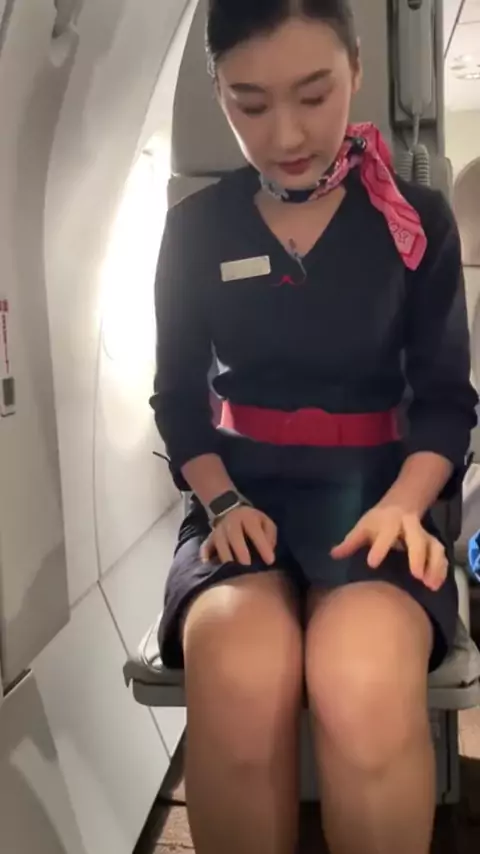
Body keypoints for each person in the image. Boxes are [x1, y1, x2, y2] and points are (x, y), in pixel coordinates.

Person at [150, 2, 478, 853]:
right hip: (239, 501)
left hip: (378, 500)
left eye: (313, 94)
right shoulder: (195, 229)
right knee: (238, 671)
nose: (286, 134)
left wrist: (406, 506)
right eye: (250, 104)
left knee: (361, 678)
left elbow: (447, 400)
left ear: (356, 71)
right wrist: (221, 504)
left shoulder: (415, 219)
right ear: (219, 93)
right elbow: (178, 400)